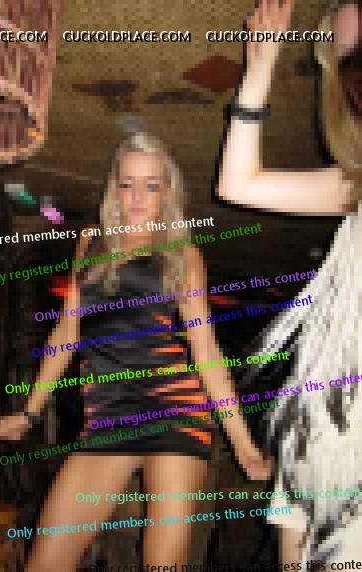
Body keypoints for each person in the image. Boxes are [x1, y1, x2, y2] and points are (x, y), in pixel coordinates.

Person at [0, 132, 272, 571]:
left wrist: (243, 445)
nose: (137, 197)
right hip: (107, 416)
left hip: (175, 412)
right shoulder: (91, 242)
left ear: (168, 191)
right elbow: (67, 331)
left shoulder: (182, 253)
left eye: (151, 185)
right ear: (114, 187)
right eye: (127, 184)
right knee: (45, 563)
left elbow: (205, 349)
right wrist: (30, 412)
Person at [218, 0, 362, 566]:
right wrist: (259, 69)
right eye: (351, 61)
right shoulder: (356, 185)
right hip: (324, 433)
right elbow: (238, 184)